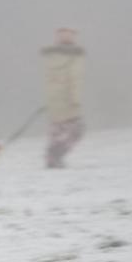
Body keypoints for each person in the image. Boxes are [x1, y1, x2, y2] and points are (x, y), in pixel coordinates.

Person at [41, 27, 85, 169]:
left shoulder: (50, 58)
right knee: (77, 130)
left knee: (57, 131)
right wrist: (76, 100)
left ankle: (52, 158)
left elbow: (50, 80)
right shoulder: (74, 57)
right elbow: (75, 80)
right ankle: (54, 156)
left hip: (54, 100)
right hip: (68, 101)